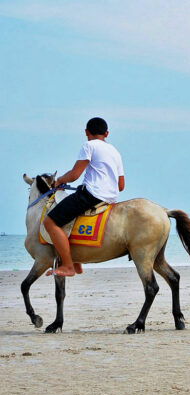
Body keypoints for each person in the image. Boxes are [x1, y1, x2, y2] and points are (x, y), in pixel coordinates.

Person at [43, 117, 125, 277]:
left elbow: (74, 175)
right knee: (72, 217)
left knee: (50, 222)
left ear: (86, 132)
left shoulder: (89, 145)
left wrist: (59, 180)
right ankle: (76, 262)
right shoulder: (115, 152)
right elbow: (121, 186)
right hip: (110, 198)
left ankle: (68, 266)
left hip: (91, 194)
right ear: (106, 133)